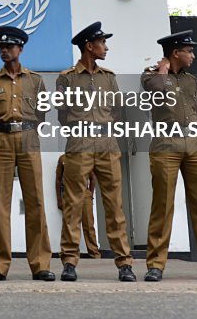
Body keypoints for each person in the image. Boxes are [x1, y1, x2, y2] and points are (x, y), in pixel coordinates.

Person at [141, 31, 197, 282]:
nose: (193, 55)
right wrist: (162, 70)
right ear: (175, 53)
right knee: (163, 204)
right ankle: (156, 265)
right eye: (189, 51)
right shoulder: (150, 75)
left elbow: (195, 111)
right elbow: (156, 94)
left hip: (194, 145)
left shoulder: (191, 80)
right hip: (165, 145)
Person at [0, 26, 54, 282]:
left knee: (36, 201)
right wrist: (1, 133)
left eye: (9, 47)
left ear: (20, 49)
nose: (4, 51)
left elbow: (42, 114)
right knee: (0, 202)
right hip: (1, 139)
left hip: (30, 138)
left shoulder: (36, 80)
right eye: (0, 47)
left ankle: (41, 264)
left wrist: (27, 131)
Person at [57, 22, 133, 282]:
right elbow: (63, 116)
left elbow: (117, 111)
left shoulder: (108, 77)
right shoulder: (66, 78)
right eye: (102, 43)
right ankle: (69, 261)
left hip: (107, 145)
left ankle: (124, 263)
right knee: (73, 204)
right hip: (79, 144)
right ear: (89, 46)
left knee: (114, 204)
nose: (106, 47)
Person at [54, 154, 98, 259]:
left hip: (85, 195)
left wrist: (90, 195)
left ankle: (94, 254)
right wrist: (59, 199)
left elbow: (93, 178)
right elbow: (58, 180)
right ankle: (68, 254)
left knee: (89, 225)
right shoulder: (63, 159)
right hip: (69, 195)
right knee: (69, 225)